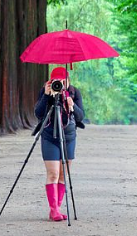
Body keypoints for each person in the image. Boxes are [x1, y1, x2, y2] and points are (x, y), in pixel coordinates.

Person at [34, 66, 84, 221]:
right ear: (50, 81)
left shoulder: (74, 93)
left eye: (62, 81)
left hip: (69, 137)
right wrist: (47, 96)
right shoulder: (46, 92)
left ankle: (58, 207)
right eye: (56, 81)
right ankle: (54, 209)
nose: (59, 84)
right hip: (50, 136)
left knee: (63, 174)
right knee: (53, 173)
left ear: (67, 81)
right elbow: (38, 113)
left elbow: (81, 116)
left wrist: (72, 106)